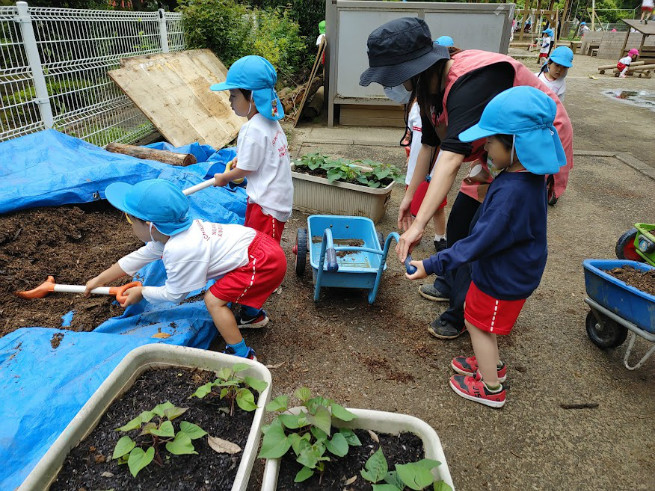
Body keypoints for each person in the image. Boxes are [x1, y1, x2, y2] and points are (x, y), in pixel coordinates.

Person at [360, 17, 573, 339]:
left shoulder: (471, 81)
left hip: (526, 148)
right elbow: (431, 146)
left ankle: (463, 313)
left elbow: (449, 161)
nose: (397, 85)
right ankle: (451, 282)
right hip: (494, 149)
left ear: (415, 69)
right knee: (460, 222)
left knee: (485, 235)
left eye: (396, 77)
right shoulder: (431, 87)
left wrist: (419, 225)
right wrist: (409, 198)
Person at [405, 86, 566, 408]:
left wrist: (431, 264)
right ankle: (487, 362)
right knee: (481, 322)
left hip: (502, 277)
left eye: (491, 141)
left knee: (478, 324)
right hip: (508, 268)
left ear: (516, 144)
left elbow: (477, 242)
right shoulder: (526, 178)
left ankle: (491, 387)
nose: (485, 147)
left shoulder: (511, 195)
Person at [84, 179, 287, 360]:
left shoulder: (179, 250)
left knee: (213, 301)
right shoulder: (171, 234)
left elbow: (175, 294)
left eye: (129, 220)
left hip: (262, 263)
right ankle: (252, 315)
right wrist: (99, 280)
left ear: (150, 225)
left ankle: (241, 354)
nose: (129, 225)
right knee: (229, 282)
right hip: (260, 248)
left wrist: (142, 292)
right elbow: (136, 259)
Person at [210, 55, 293, 328]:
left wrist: (224, 176)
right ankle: (261, 288)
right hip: (276, 200)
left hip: (265, 204)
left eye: (234, 96)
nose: (230, 101)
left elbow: (244, 170)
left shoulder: (251, 129)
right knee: (262, 248)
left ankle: (251, 313)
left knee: (261, 255)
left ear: (253, 98)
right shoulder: (271, 124)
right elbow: (256, 161)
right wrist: (240, 164)